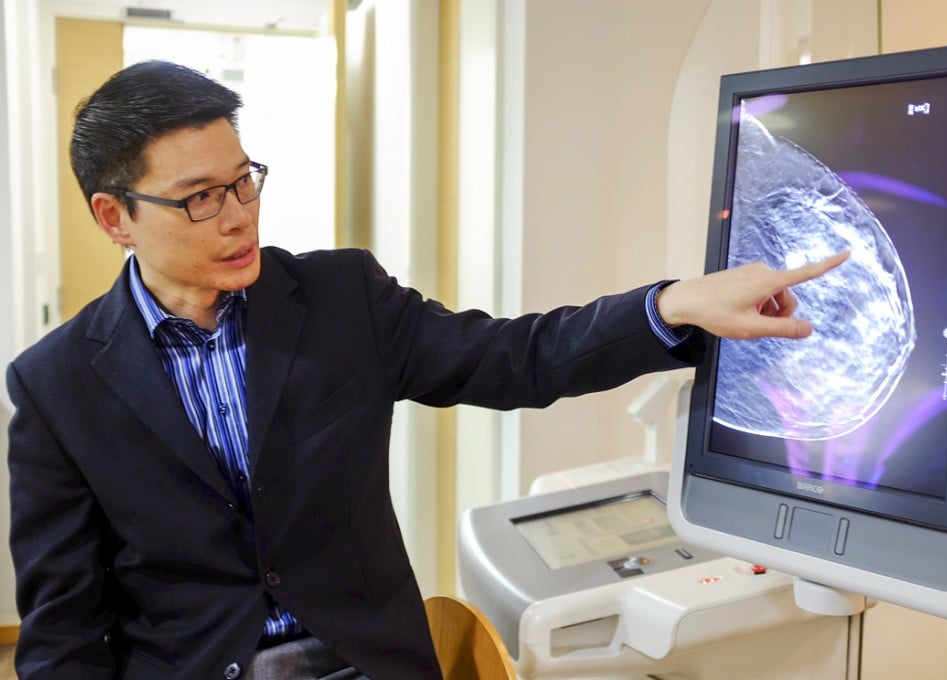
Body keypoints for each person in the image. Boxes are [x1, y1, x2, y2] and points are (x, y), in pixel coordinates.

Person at [5, 61, 848, 680]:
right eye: (199, 199)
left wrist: (672, 307)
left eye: (245, 182)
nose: (238, 217)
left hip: (366, 662)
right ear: (114, 217)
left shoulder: (339, 297)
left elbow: (517, 356)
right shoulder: (56, 387)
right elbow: (63, 628)